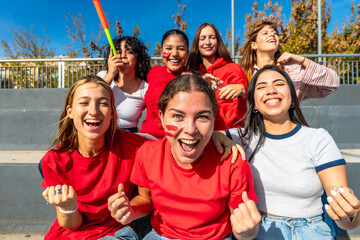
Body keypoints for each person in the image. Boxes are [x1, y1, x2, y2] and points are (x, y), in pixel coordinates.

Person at [108, 74, 261, 240]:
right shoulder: (147, 153)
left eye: (202, 117)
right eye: (178, 116)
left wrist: (247, 232)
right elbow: (145, 198)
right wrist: (131, 211)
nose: (190, 129)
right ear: (161, 117)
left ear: (213, 120)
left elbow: (241, 225)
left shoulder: (232, 162)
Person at [224, 65, 360, 239]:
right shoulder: (239, 138)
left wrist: (349, 215)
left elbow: (347, 218)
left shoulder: (318, 138)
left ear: (292, 95)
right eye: (261, 87)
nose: (271, 90)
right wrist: (218, 137)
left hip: (313, 230)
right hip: (263, 230)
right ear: (254, 103)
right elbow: (200, 133)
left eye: (279, 84)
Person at [41, 75, 147, 240]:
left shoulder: (134, 146)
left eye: (103, 104)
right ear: (70, 111)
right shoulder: (54, 161)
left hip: (116, 234)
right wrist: (68, 207)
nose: (94, 111)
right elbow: (71, 224)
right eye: (84, 103)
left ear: (112, 112)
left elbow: (145, 198)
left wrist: (131, 209)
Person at [240, 21, 339, 102]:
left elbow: (333, 84)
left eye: (275, 33)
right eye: (265, 33)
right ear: (254, 45)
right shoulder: (243, 74)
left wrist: (301, 60)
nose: (272, 35)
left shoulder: (294, 71)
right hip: (255, 126)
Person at [187, 23, 248, 130]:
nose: (207, 42)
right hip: (198, 134)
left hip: (229, 134)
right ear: (197, 43)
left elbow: (244, 111)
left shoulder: (233, 68)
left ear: (218, 41)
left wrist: (243, 91)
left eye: (212, 37)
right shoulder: (190, 72)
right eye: (203, 38)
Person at [139, 29, 190, 138]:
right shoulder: (153, 72)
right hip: (148, 138)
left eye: (181, 49)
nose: (175, 54)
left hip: (177, 140)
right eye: (168, 48)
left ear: (187, 53)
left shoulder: (192, 79)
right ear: (162, 52)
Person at [97, 36, 151, 132]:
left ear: (137, 57)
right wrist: (110, 74)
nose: (123, 55)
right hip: (100, 133)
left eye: (129, 51)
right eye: (118, 52)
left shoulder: (145, 87)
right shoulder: (102, 76)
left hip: (128, 138)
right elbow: (92, 96)